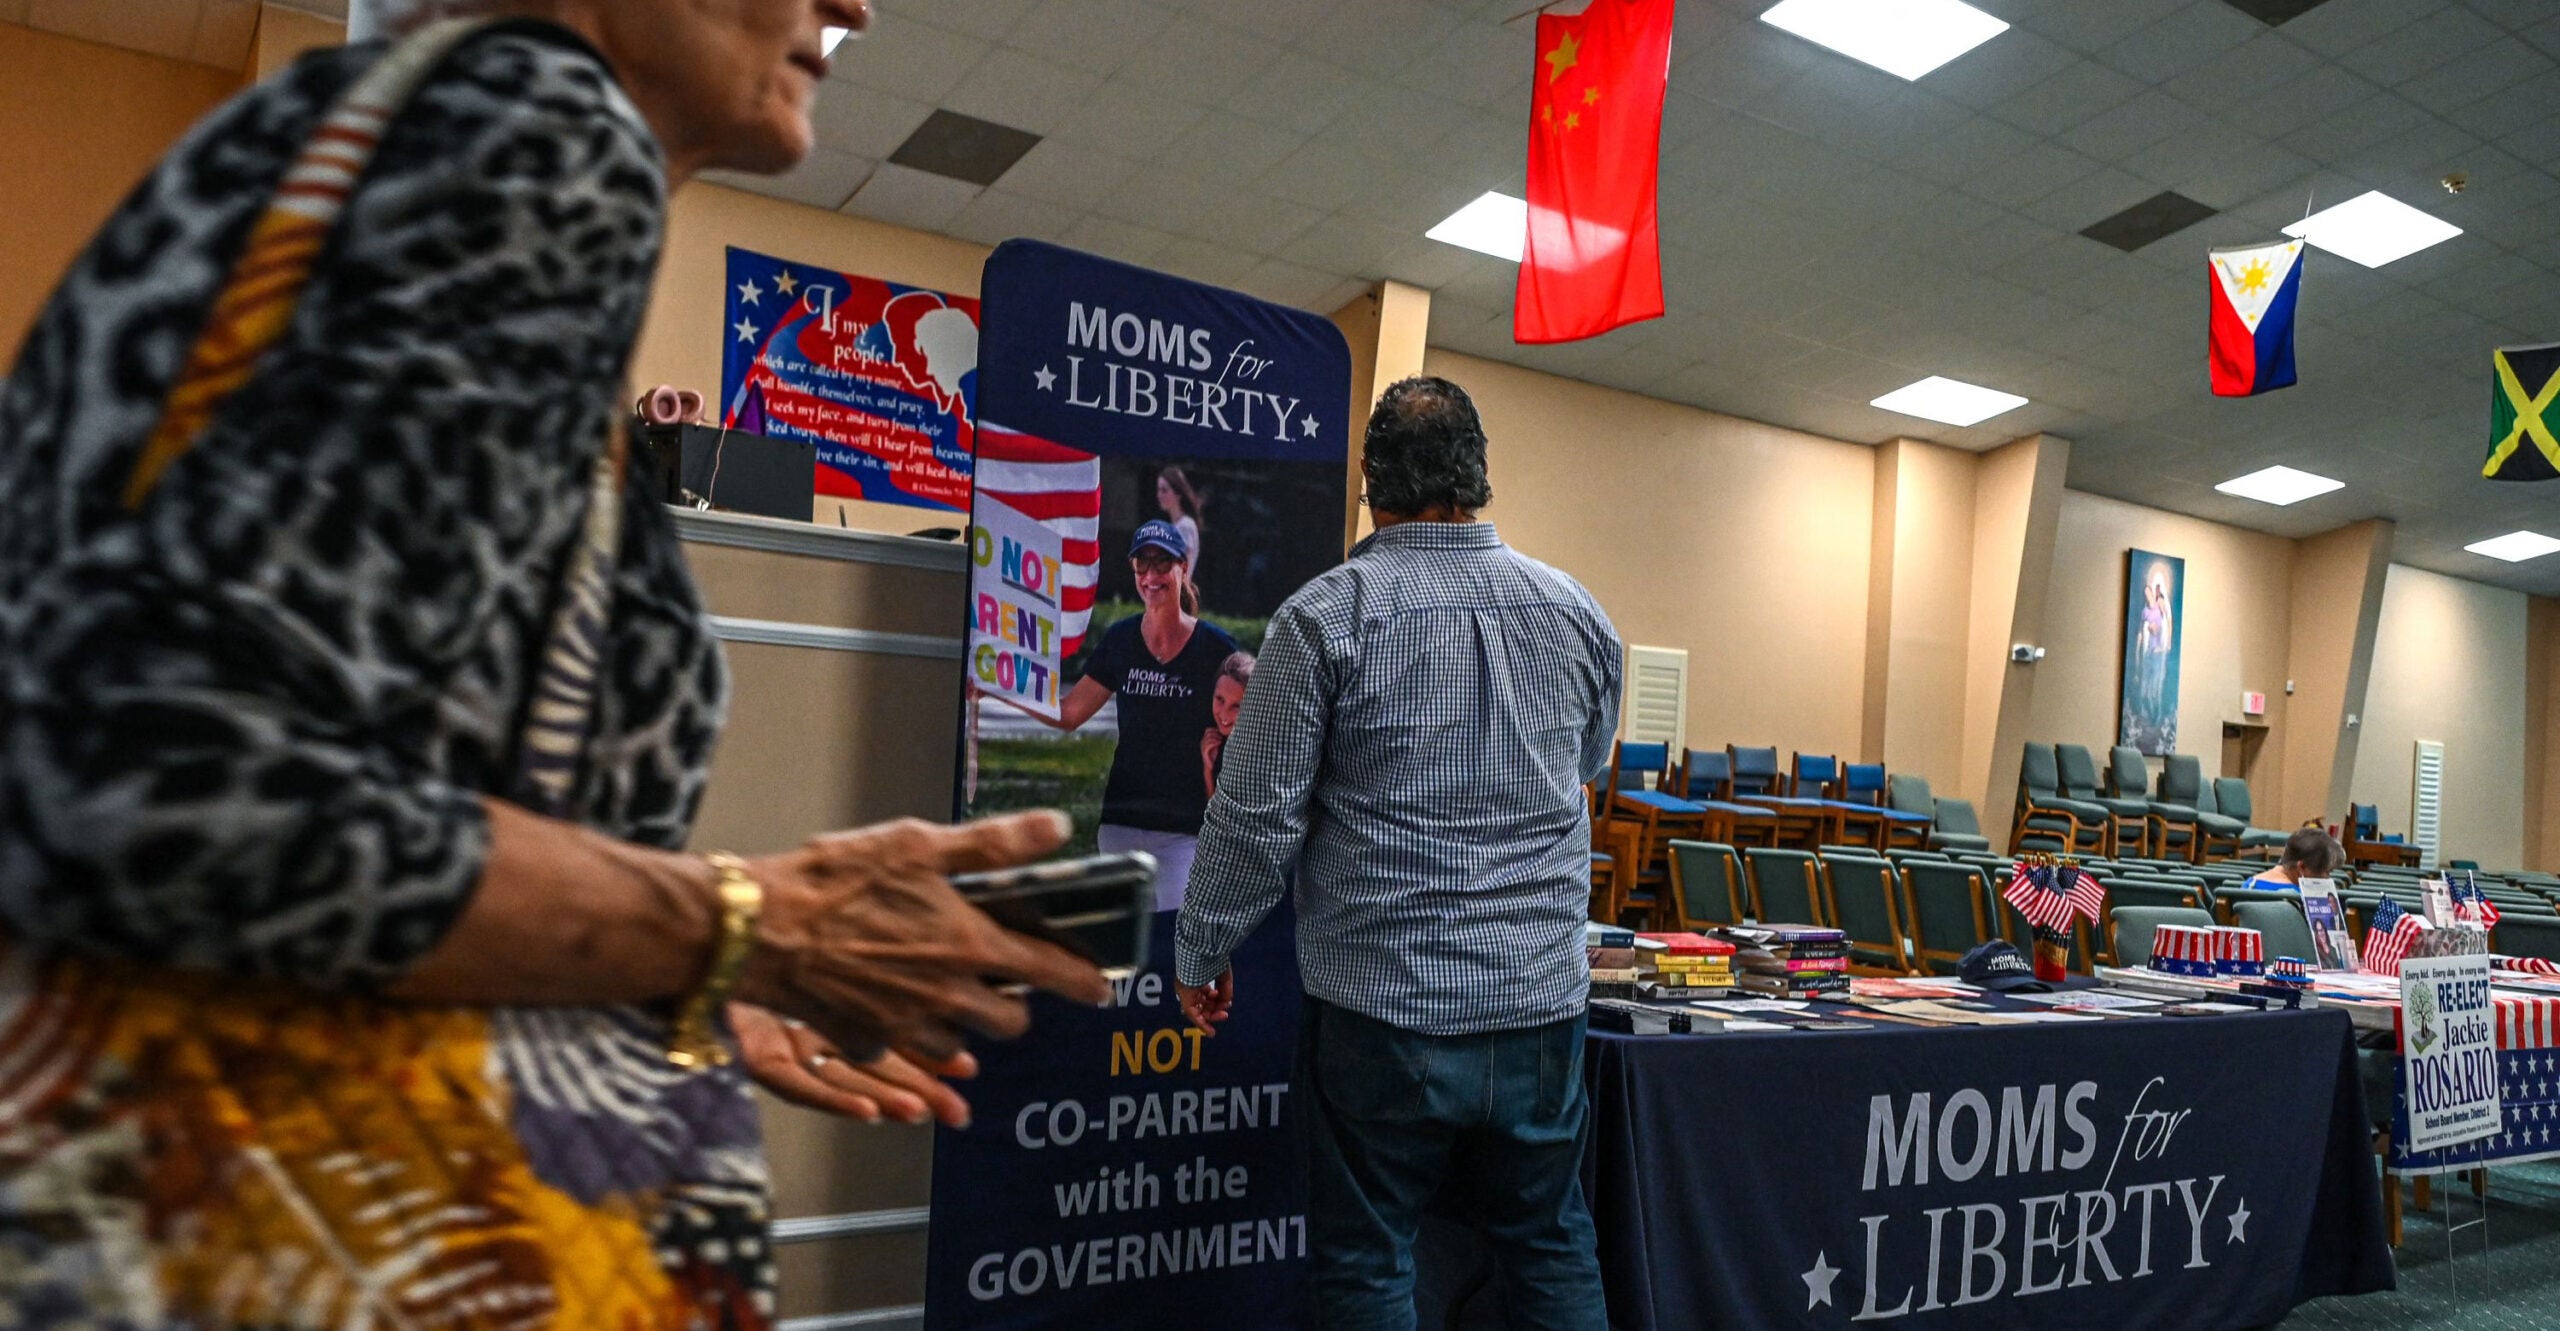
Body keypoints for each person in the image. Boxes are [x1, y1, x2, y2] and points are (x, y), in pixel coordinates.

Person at [0, 1, 1109, 1325]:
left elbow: (336, 764)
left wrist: (650, 973)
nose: (852, 5)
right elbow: (147, 776)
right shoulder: (537, 133)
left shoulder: (401, 141)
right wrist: (757, 924)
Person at [1175, 376, 1623, 1329]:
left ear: (1371, 486)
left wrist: (1201, 949)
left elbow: (1255, 817)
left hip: (1383, 1009)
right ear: (1480, 477)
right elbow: (1586, 764)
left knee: (1368, 1260)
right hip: (1539, 1009)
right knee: (1551, 1243)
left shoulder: (1324, 619)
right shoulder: (1578, 613)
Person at [998, 522, 1238, 910]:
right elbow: (1069, 713)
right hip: (1121, 822)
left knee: (1179, 939)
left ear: (1182, 567)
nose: (1151, 575)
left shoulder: (1215, 647)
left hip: (1187, 829)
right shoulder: (1121, 640)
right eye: (1142, 564)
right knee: (1125, 941)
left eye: (1162, 563)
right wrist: (998, 686)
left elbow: (1246, 719)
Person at [1202, 649, 1255, 797]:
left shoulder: (1255, 752)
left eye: (1236, 706)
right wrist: (1208, 769)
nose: (1224, 714)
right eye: (1220, 699)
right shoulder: (1219, 742)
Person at [2246, 827, 2345, 891]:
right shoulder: (2300, 900)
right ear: (2302, 867)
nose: (2327, 878)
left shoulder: (2249, 884)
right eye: (2327, 871)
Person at [1157, 465, 1205, 580]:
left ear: (1177, 494)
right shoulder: (1176, 526)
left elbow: (1180, 570)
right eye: (1158, 490)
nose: (1159, 495)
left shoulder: (1185, 526)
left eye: (1164, 490)